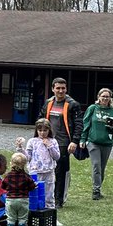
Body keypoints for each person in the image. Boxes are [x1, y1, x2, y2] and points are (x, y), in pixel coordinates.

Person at [40, 78, 83, 208]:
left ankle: (59, 200)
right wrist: (39, 138)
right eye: (58, 88)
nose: (60, 91)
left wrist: (74, 141)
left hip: (64, 143)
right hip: (48, 142)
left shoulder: (72, 104)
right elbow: (40, 120)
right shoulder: (48, 103)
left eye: (63, 88)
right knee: (45, 170)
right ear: (53, 89)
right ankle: (48, 197)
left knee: (60, 172)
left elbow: (79, 124)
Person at [81, 87, 113, 200]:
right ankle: (96, 190)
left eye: (107, 96)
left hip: (107, 143)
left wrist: (112, 127)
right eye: (103, 96)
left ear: (110, 98)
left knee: (102, 168)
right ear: (98, 97)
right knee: (96, 166)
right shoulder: (93, 108)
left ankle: (98, 187)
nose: (105, 98)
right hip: (93, 142)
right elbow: (86, 123)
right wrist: (83, 139)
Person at [16, 118, 61, 210]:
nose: (42, 133)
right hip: (35, 172)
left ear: (49, 130)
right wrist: (20, 148)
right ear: (36, 130)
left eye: (45, 130)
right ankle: (34, 213)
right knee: (34, 193)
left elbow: (57, 156)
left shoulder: (53, 141)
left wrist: (49, 146)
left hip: (49, 172)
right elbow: (27, 157)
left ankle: (50, 213)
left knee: (49, 195)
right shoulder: (32, 141)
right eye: (40, 130)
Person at [1, 151, 38, 226]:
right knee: (23, 217)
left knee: (11, 217)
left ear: (11, 163)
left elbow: (3, 186)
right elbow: (32, 186)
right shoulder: (26, 176)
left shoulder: (8, 176)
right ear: (24, 164)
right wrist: (33, 186)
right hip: (23, 199)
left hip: (10, 200)